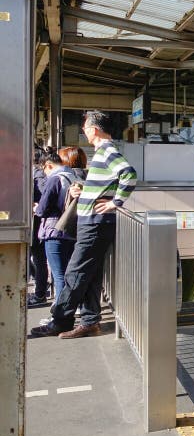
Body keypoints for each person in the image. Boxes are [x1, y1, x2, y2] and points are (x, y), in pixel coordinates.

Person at [31, 111, 137, 339]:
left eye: (86, 128)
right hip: (93, 222)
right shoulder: (102, 152)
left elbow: (129, 174)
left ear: (95, 129)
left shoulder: (107, 150)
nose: (84, 131)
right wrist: (82, 187)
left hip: (95, 223)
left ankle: (60, 321)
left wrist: (115, 203)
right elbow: (108, 179)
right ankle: (90, 321)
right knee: (89, 273)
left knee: (75, 272)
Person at [35, 152, 78, 304]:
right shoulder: (72, 176)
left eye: (44, 170)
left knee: (59, 275)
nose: (44, 174)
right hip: (71, 230)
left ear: (48, 165)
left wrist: (36, 208)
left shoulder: (55, 178)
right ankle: (69, 309)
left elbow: (43, 209)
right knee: (68, 273)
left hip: (54, 230)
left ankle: (59, 314)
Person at [28, 147, 50, 306]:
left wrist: (37, 206)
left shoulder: (38, 174)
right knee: (36, 256)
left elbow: (44, 196)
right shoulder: (37, 173)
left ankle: (40, 292)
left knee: (38, 256)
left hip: (37, 220)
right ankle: (40, 286)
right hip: (37, 220)